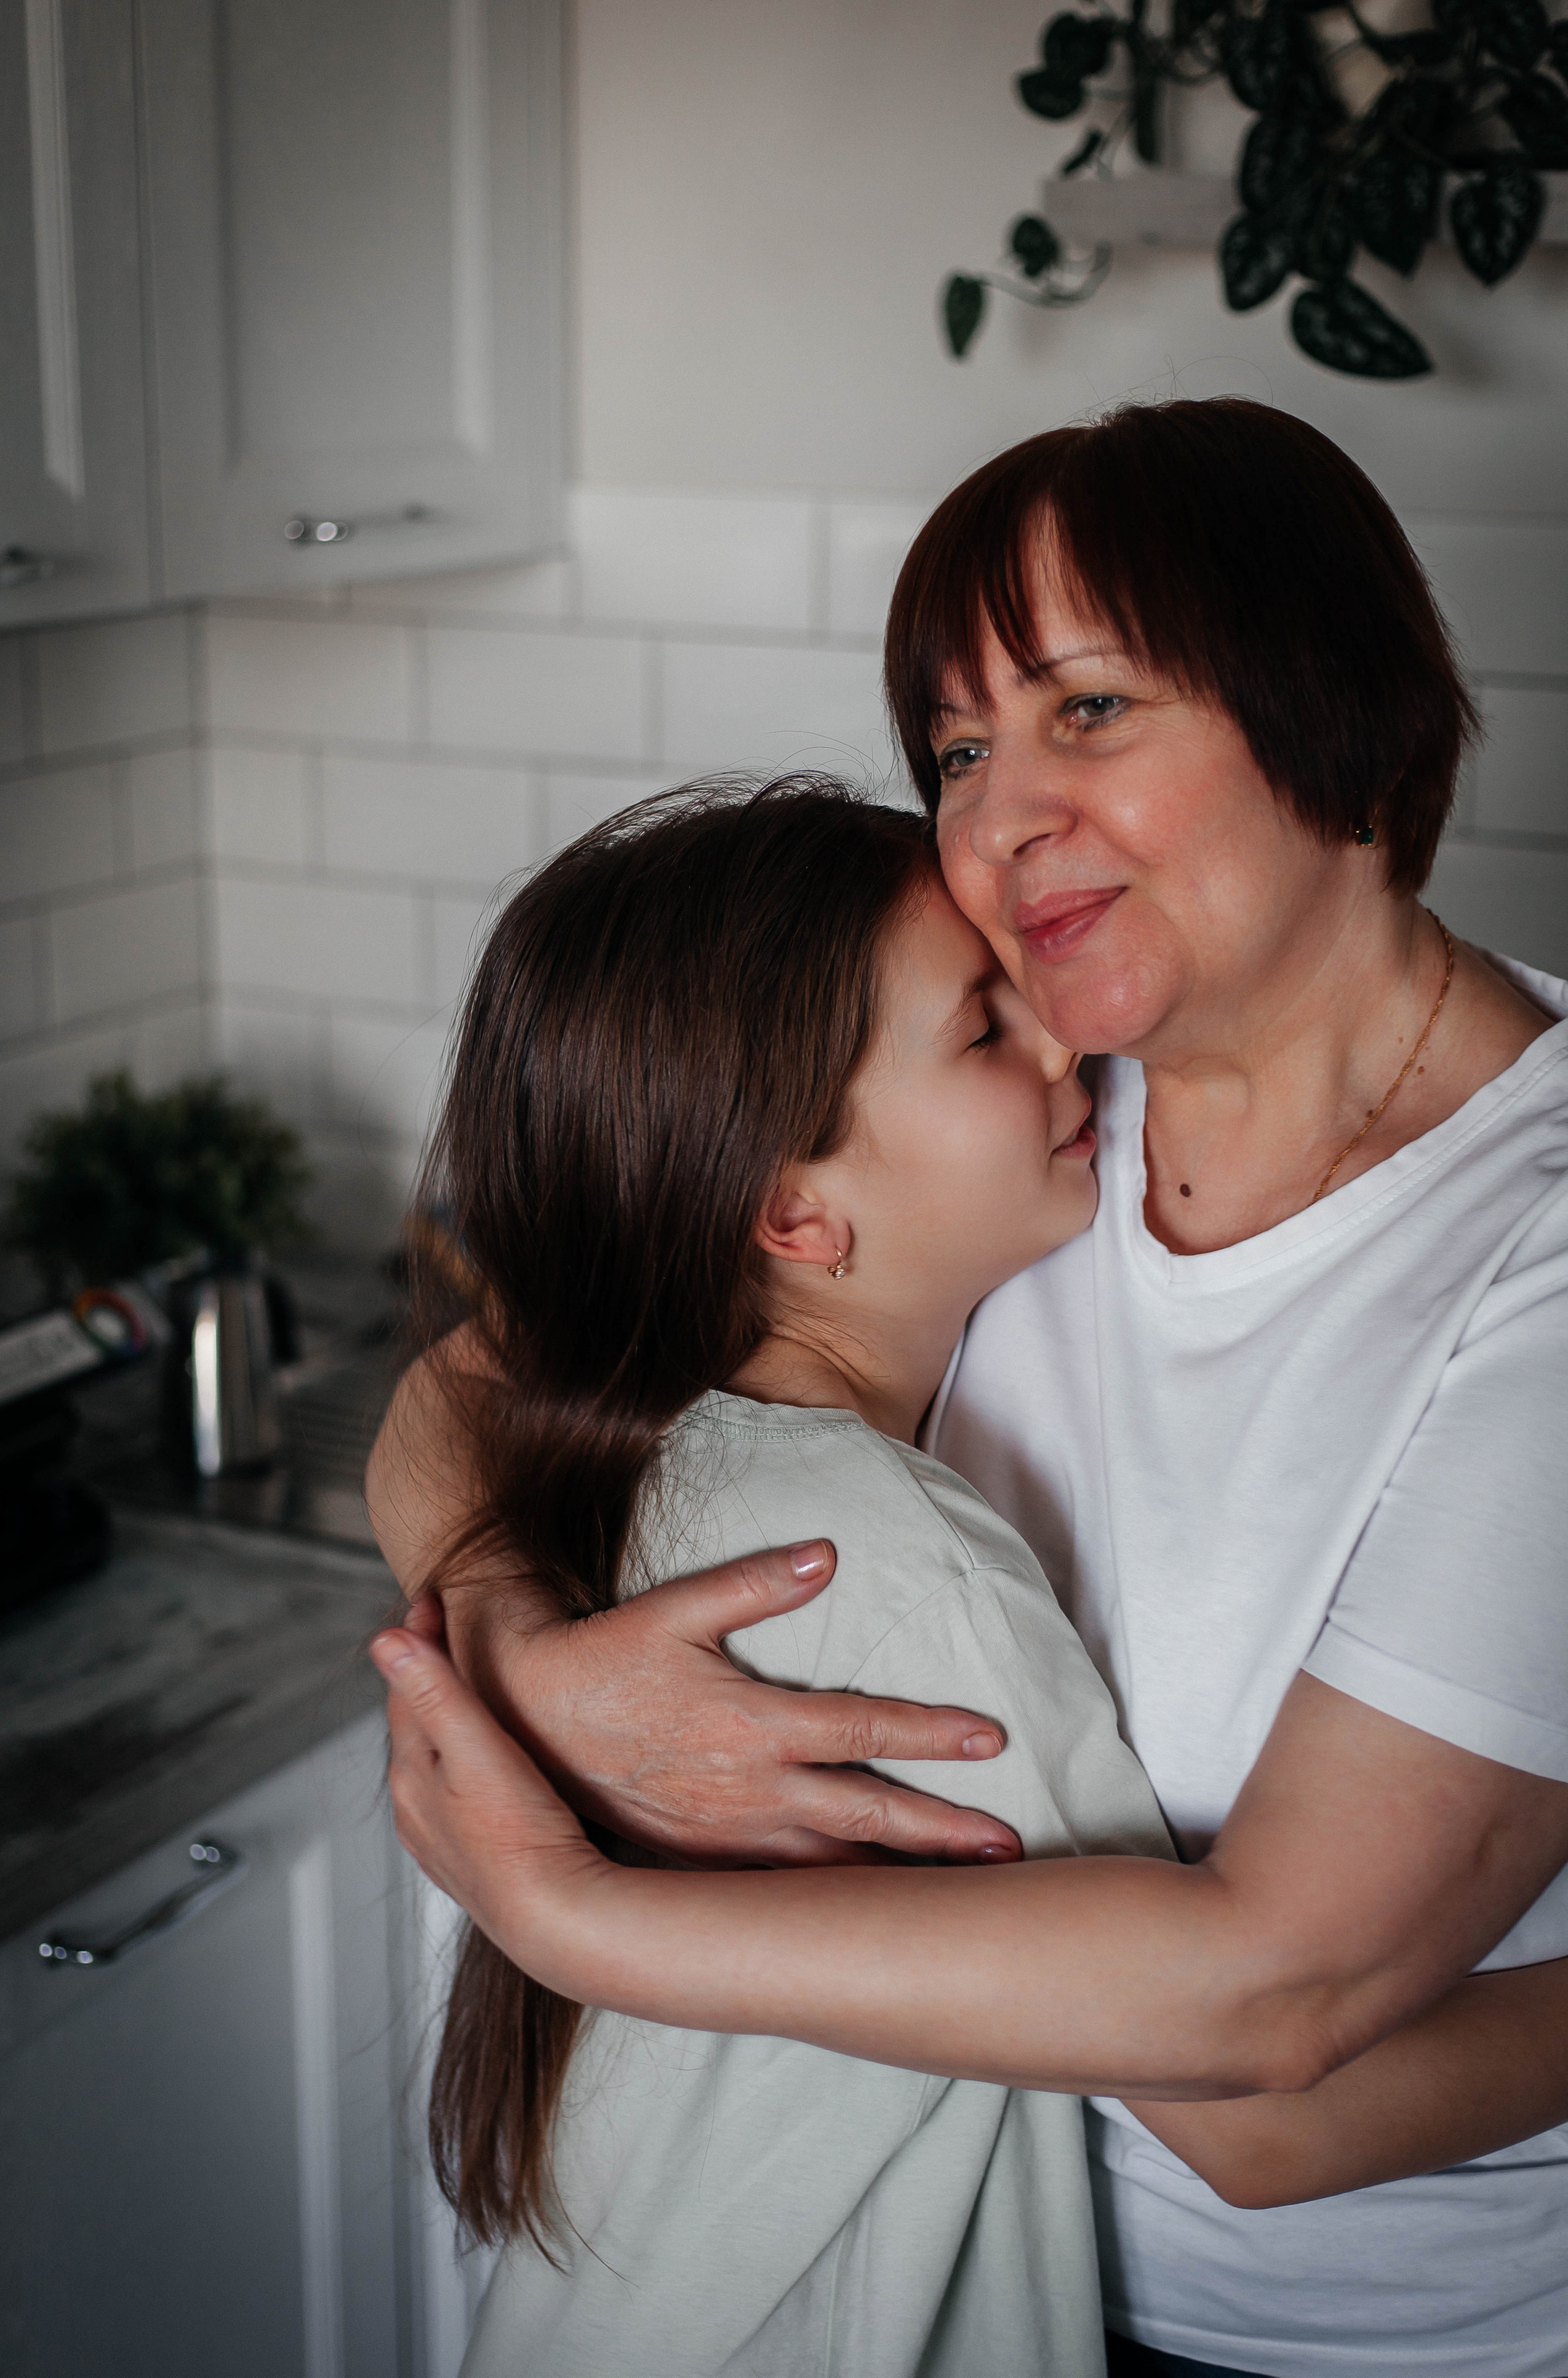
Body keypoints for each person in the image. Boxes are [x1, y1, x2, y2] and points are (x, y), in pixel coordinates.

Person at [370, 399, 1568, 2378]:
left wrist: (565, 1904)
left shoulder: (1515, 1247)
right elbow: (478, 1379)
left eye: (1086, 710)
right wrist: (524, 1650)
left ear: (1336, 710)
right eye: (956, 750)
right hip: (967, 2268)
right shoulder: (1041, 1111)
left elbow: (1277, 2025)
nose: (997, 823)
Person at [403, 776, 1175, 2378]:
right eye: (983, 1030)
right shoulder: (886, 1566)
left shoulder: (614, 1460)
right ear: (790, 1212)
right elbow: (1212, 2033)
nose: (1065, 1044)